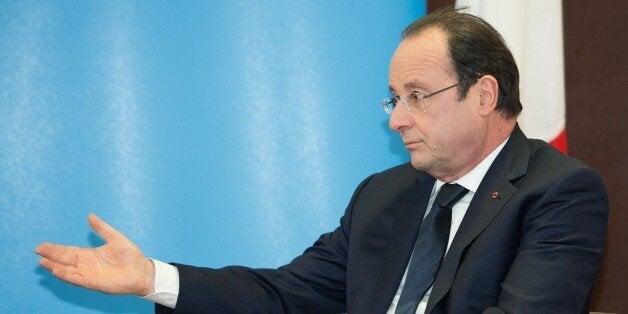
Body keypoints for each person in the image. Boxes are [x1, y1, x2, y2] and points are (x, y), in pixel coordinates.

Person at [35, 9, 609, 313]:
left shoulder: (557, 191)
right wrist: (152, 279)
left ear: (483, 95)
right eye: (394, 98)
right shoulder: (384, 196)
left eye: (417, 95)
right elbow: (284, 295)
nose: (396, 119)